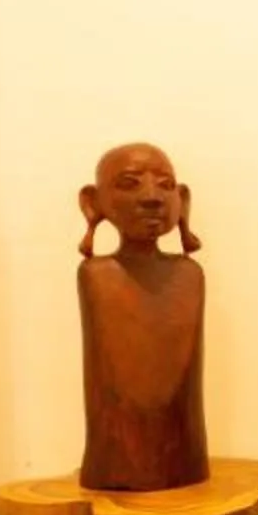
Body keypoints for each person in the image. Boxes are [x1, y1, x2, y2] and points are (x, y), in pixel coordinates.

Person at [77, 141, 210, 492]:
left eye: (165, 185)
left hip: (188, 458)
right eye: (130, 183)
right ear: (92, 202)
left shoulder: (189, 274)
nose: (152, 196)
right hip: (115, 464)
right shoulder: (98, 275)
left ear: (182, 200)